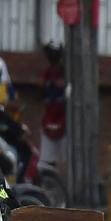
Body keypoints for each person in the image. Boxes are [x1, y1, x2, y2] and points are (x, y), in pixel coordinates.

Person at [39, 40, 66, 168]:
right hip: (49, 120)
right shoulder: (47, 74)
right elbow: (42, 95)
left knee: (67, 161)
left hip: (65, 123)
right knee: (46, 163)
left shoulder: (67, 75)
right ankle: (49, 186)